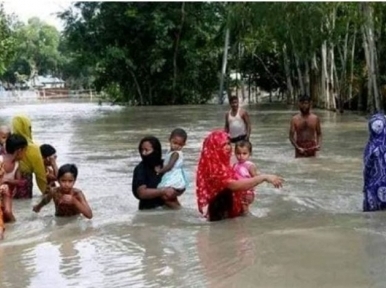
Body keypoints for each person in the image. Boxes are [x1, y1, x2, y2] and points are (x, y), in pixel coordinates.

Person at [196, 130, 283, 221]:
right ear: (215, 147)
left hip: (228, 211)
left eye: (229, 143)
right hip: (220, 214)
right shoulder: (213, 167)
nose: (228, 147)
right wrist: (264, 177)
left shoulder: (224, 162)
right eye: (223, 144)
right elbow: (233, 185)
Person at [132, 136, 182, 210]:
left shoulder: (166, 165)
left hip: (170, 207)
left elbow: (178, 184)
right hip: (149, 211)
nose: (143, 153)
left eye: (146, 150)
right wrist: (163, 191)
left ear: (156, 151)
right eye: (142, 150)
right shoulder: (140, 169)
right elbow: (142, 193)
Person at [12, 115, 47, 198]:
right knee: (24, 206)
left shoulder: (6, 144)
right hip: (24, 186)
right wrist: (46, 192)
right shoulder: (33, 148)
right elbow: (40, 175)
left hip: (6, 186)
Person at [156, 128, 188, 208]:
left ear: (184, 144)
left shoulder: (175, 154)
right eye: (175, 143)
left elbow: (169, 166)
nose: (176, 146)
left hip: (174, 179)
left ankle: (177, 210)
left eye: (180, 145)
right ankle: (179, 209)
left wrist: (159, 171)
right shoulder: (170, 151)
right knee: (170, 198)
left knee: (164, 195)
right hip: (172, 177)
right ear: (169, 140)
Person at [0, 134, 28, 223]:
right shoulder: (0, 160)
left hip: (7, 195)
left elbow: (19, 181)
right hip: (4, 193)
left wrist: (7, 180)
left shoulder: (17, 164)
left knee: (6, 214)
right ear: (19, 150)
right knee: (8, 213)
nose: (25, 153)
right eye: (25, 150)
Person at [362, 113, 386, 212]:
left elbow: (367, 170)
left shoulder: (370, 147)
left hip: (373, 189)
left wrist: (365, 187)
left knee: (372, 219)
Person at [232, 140, 260, 213]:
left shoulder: (250, 165)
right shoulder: (235, 165)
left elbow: (256, 179)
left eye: (244, 153)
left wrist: (252, 188)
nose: (241, 156)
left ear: (249, 154)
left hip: (247, 192)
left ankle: (246, 221)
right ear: (235, 153)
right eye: (238, 153)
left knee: (244, 208)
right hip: (238, 191)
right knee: (238, 208)